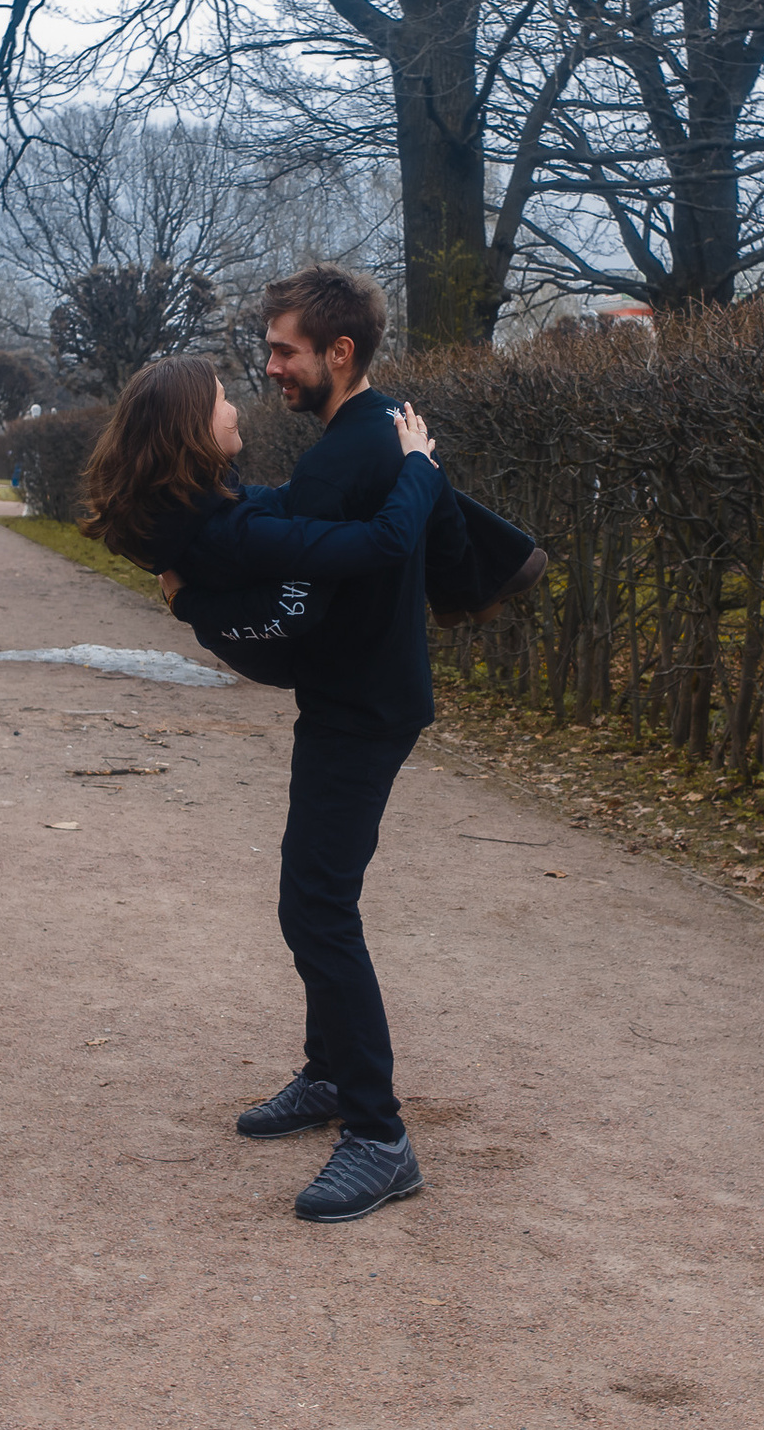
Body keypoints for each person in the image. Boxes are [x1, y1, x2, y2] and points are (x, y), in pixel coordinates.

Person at [160, 265, 540, 1223]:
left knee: (317, 909)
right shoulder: (371, 435)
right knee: (315, 899)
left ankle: (379, 1135)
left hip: (361, 708)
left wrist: (199, 599)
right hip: (362, 698)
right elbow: (407, 542)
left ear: (340, 353)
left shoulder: (358, 450)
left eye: (286, 351)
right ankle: (331, 1075)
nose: (272, 368)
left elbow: (295, 562)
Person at [80, 358, 445, 693]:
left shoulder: (176, 510)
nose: (234, 409)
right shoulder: (236, 532)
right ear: (190, 426)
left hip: (290, 666)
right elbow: (387, 540)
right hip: (340, 684)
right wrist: (416, 464)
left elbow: (274, 500)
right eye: (223, 400)